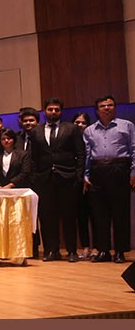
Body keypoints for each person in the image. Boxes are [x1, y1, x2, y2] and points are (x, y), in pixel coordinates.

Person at [29, 98, 85, 262]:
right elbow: (33, 157)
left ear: (61, 111)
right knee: (47, 217)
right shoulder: (36, 131)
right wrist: (34, 178)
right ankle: (51, 251)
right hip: (44, 179)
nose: (53, 112)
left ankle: (72, 251)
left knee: (69, 216)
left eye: (56, 110)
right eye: (50, 109)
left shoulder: (71, 128)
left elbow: (81, 153)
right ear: (44, 111)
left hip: (67, 178)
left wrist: (78, 176)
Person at [83, 95, 135, 263]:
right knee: (99, 214)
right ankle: (103, 251)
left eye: (110, 105)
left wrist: (133, 173)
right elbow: (87, 155)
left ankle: (120, 251)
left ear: (115, 107)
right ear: (97, 110)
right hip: (97, 171)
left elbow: (134, 149)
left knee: (121, 213)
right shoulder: (89, 130)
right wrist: (86, 175)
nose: (107, 108)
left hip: (120, 169)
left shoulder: (127, 126)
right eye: (103, 106)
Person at [72, 112, 94, 258]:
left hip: (93, 181)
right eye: (77, 122)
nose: (79, 125)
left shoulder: (92, 137)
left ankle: (98, 247)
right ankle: (85, 247)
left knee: (97, 216)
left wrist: (87, 176)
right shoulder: (69, 139)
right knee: (81, 216)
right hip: (77, 182)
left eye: (83, 123)